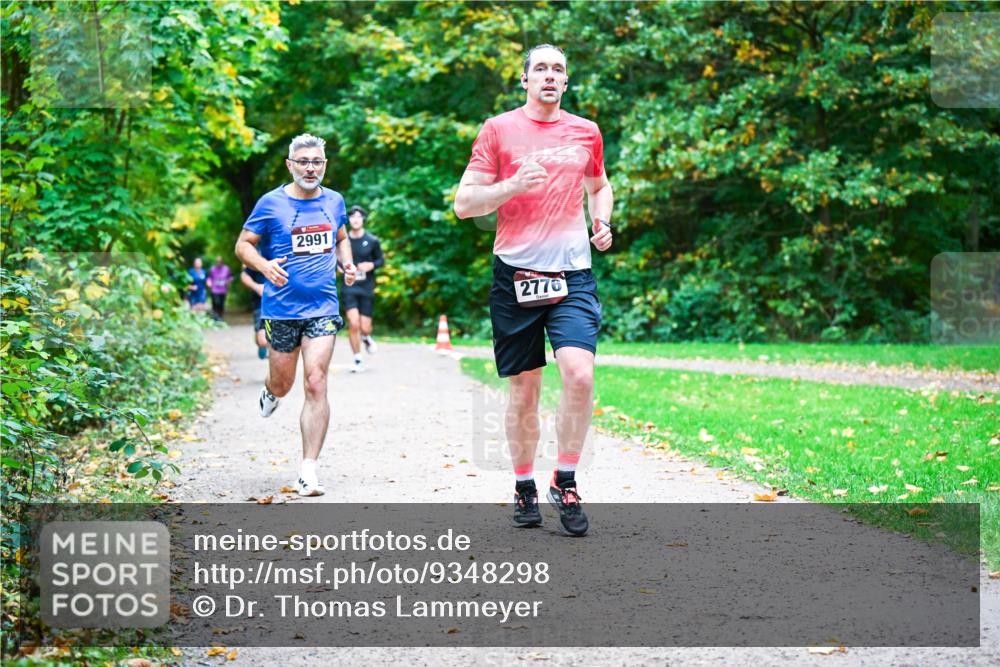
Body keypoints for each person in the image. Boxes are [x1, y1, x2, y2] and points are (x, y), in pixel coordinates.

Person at [453, 44, 614, 536]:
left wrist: (602, 220)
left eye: (558, 70)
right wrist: (512, 185)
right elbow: (465, 204)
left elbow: (599, 185)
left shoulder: (586, 131)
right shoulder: (498, 130)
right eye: (540, 68)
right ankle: (523, 484)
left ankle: (564, 479)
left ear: (566, 83)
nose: (549, 76)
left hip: (572, 275)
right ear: (524, 80)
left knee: (580, 375)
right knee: (524, 391)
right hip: (515, 276)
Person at [235, 133, 357, 497]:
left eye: (316, 161)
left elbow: (341, 238)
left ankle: (308, 471)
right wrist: (263, 265)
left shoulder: (334, 201)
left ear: (324, 165)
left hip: (322, 307)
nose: (310, 167)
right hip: (282, 309)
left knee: (316, 381)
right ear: (290, 165)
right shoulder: (271, 204)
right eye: (303, 161)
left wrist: (346, 264)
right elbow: (243, 245)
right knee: (284, 383)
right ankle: (271, 392)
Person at [341, 205, 385, 373]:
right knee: (353, 323)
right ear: (349, 220)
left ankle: (366, 337)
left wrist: (371, 265)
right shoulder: (344, 240)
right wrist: (340, 267)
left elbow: (381, 261)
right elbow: (337, 258)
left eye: (358, 217)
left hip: (367, 287)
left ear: (363, 219)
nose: (355, 220)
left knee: (365, 327)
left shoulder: (372, 240)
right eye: (352, 217)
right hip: (349, 287)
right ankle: (357, 358)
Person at [240, 263, 269, 359]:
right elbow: (244, 275)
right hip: (260, 304)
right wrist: (257, 287)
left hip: (282, 305)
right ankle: (260, 339)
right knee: (262, 341)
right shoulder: (259, 256)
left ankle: (272, 352)